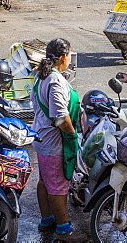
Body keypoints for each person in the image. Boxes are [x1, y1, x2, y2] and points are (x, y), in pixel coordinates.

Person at [32, 38, 84, 242]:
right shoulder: (54, 80)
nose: (70, 59)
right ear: (64, 57)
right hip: (53, 143)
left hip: (41, 138)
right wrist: (72, 135)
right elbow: (60, 117)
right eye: (70, 55)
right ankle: (63, 229)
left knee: (45, 181)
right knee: (58, 186)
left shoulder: (41, 75)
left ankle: (47, 220)